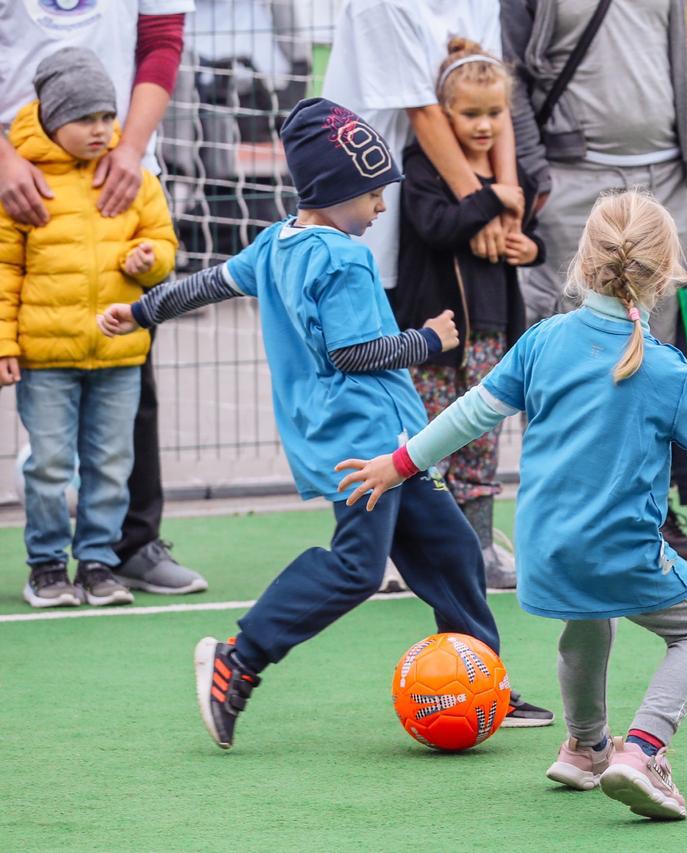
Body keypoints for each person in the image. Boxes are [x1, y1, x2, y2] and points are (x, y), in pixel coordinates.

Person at [336, 190, 687, 819]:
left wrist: (399, 464)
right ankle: (640, 752)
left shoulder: (542, 342)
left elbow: (471, 414)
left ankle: (585, 747)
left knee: (587, 621)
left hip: (543, 550)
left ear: (581, 262)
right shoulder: (666, 369)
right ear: (669, 270)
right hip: (622, 552)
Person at [97, 98, 552, 749]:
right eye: (373, 194)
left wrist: (142, 312)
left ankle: (484, 682)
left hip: (386, 440)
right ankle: (239, 658)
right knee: (356, 568)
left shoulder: (276, 240)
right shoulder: (342, 259)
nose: (381, 207)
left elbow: (204, 286)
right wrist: (427, 339)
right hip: (360, 445)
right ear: (337, 193)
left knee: (452, 548)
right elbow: (354, 354)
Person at [504, 0, 687, 568]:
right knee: (565, 356)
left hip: (666, 180)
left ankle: (650, 519)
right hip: (571, 179)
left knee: (652, 359)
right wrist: (536, 172)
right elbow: (510, 71)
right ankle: (559, 519)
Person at [0, 0, 208, 596]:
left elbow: (163, 37)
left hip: (120, 174)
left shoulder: (132, 179)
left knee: (119, 432)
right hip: (15, 172)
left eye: (102, 115)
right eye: (85, 116)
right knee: (47, 456)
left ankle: (119, 551)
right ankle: (44, 562)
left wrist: (128, 148)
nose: (96, 124)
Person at [322, 0, 521, 593]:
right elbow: (424, 110)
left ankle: (466, 543)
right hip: (368, 225)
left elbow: (495, 95)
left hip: (450, 219)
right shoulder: (383, 7)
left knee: (470, 425)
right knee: (382, 402)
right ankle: (380, 548)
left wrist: (505, 198)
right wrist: (483, 203)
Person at [394, 38, 544, 591]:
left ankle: (480, 549)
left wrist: (531, 249)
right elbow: (435, 227)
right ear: (444, 113)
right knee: (430, 440)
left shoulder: (510, 171)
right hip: (434, 334)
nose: (484, 126)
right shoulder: (422, 166)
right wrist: (492, 195)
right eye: (470, 114)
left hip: (491, 329)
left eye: (494, 114)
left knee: (481, 443)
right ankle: (426, 554)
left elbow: (527, 239)